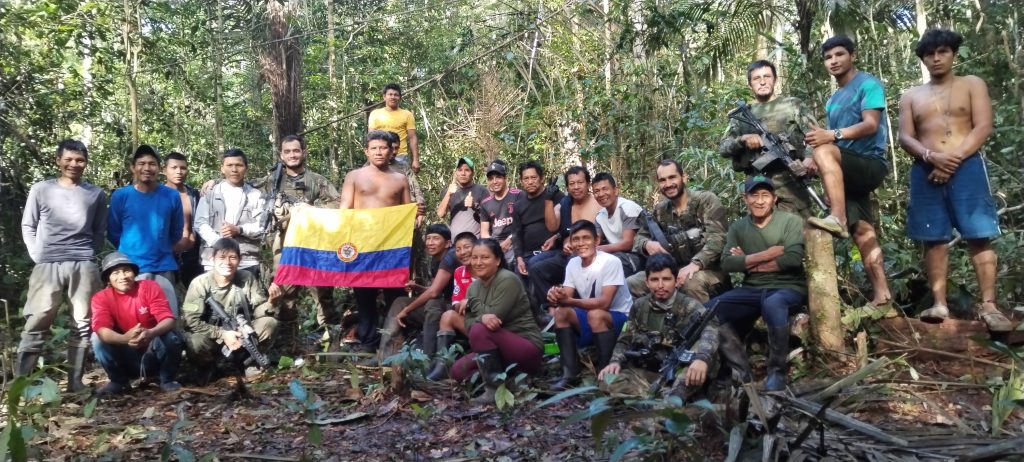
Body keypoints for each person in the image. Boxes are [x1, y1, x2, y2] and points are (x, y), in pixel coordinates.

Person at [898, 28, 1011, 330]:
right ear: (922, 59)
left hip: (968, 166)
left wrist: (951, 160)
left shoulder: (972, 84)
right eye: (930, 54)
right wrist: (930, 156)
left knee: (979, 233)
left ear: (953, 54)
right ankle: (939, 303)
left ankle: (988, 304)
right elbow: (905, 137)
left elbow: (983, 126)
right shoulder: (911, 95)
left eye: (942, 52)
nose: (936, 58)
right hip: (925, 170)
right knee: (933, 239)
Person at [803, 35, 892, 308]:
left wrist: (831, 135)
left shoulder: (869, 84)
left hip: (871, 163)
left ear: (852, 55)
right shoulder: (832, 101)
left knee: (825, 148)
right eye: (828, 57)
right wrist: (816, 169)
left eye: (839, 54)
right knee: (862, 231)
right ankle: (883, 296)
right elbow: (835, 148)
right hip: (848, 169)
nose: (834, 61)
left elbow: (870, 125)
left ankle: (837, 217)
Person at [17, 139, 107, 392]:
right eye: (68, 159)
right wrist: (38, 254)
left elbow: (99, 229)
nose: (74, 164)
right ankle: (21, 384)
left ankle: (74, 382)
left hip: (82, 263)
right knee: (38, 319)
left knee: (82, 323)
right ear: (58, 160)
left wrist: (89, 253)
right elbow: (28, 225)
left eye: (79, 160)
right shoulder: (41, 189)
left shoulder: (95, 194)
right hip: (47, 264)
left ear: (86, 163)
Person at [708, 176, 806, 392]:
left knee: (774, 303)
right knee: (710, 309)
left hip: (787, 287)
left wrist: (748, 262)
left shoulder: (791, 222)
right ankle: (742, 371)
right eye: (754, 195)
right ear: (745, 198)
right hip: (752, 289)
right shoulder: (738, 228)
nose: (759, 201)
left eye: (765, 195)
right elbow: (727, 262)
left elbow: (792, 259)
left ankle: (777, 372)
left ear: (774, 199)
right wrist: (768, 254)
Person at [597, 254, 719, 398]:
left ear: (676, 280)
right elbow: (626, 338)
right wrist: (615, 362)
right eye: (654, 280)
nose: (660, 285)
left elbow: (711, 329)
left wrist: (702, 358)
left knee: (683, 384)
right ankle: (656, 397)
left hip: (680, 369)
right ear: (647, 282)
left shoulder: (690, 306)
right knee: (607, 381)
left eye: (666, 279)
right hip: (647, 370)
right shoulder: (639, 306)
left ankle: (668, 398)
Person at [339, 130, 416, 353]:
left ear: (392, 151)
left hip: (392, 246)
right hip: (362, 244)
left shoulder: (400, 179)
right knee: (364, 295)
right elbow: (345, 210)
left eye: (383, 148)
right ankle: (368, 341)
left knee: (395, 294)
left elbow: (406, 215)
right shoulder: (354, 176)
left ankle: (395, 342)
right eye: (374, 148)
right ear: (367, 151)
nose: (379, 152)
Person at [261, 135, 341, 338]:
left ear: (303, 153)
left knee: (323, 292)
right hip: (285, 244)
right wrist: (214, 182)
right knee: (285, 293)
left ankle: (330, 339)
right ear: (281, 155)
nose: (292, 155)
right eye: (287, 151)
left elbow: (338, 204)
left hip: (316, 244)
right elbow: (243, 187)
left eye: (296, 151)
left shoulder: (317, 180)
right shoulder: (272, 181)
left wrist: (310, 208)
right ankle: (289, 342)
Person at [718, 59, 821, 218]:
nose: (762, 81)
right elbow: (723, 148)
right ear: (750, 84)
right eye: (756, 78)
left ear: (775, 79)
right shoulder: (741, 115)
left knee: (802, 234)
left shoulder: (793, 105)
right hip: (758, 185)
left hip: (793, 180)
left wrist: (809, 157)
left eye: (767, 76)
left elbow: (816, 134)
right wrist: (742, 139)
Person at [446, 239, 543, 404]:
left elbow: (494, 320)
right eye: (474, 258)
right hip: (497, 351)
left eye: (484, 257)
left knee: (480, 329)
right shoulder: (473, 288)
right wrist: (481, 316)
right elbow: (469, 325)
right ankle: (510, 381)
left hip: (525, 347)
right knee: (458, 371)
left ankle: (494, 390)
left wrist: (473, 304)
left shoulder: (508, 279)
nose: (478, 262)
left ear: (497, 260)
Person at [546, 219, 633, 390]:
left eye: (586, 238)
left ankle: (604, 372)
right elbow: (566, 296)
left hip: (620, 319)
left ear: (597, 241)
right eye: (576, 239)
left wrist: (570, 301)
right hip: (593, 315)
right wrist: (555, 295)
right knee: (561, 313)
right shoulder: (572, 263)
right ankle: (570, 374)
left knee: (596, 314)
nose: (581, 243)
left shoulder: (610, 262)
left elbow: (605, 303)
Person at [628, 159, 729, 303]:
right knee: (632, 283)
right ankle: (648, 323)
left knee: (690, 283)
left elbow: (718, 238)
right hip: (673, 271)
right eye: (663, 180)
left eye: (672, 177)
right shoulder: (660, 210)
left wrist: (696, 264)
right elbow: (639, 238)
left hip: (709, 270)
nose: (668, 184)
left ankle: (705, 324)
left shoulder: (706, 201)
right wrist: (646, 244)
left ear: (684, 177)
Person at [180, 238, 279, 380]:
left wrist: (271, 302)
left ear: (239, 260)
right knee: (195, 341)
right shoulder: (199, 284)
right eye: (222, 257)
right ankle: (208, 367)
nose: (227, 262)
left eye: (232, 257)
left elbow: (259, 309)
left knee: (269, 323)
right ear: (212, 259)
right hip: (212, 335)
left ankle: (248, 362)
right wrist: (222, 334)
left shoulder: (246, 278)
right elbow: (191, 322)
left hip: (241, 333)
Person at [91, 252, 183, 395]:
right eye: (116, 273)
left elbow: (168, 319)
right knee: (97, 339)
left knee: (171, 337)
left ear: (134, 273)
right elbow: (102, 330)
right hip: (126, 354)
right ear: (108, 278)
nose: (122, 276)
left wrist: (151, 332)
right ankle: (118, 382)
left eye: (126, 271)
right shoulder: (101, 298)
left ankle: (167, 379)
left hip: (153, 350)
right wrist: (124, 338)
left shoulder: (149, 287)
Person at [108, 145, 185, 315]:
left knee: (166, 319)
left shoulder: (171, 196)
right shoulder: (121, 196)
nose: (147, 168)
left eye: (152, 163)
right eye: (141, 163)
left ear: (159, 168)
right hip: (129, 269)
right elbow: (114, 231)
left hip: (163, 266)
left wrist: (161, 246)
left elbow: (176, 232)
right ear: (133, 167)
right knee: (131, 319)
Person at [526, 165, 602, 317]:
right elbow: (552, 225)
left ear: (588, 184)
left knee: (571, 263)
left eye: (580, 183)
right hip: (564, 252)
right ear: (567, 187)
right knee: (534, 266)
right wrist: (548, 199)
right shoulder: (566, 203)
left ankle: (568, 308)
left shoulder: (597, 204)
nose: (576, 187)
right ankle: (551, 307)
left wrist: (575, 245)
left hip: (586, 256)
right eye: (571, 184)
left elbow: (599, 236)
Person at [376, 224, 456, 361]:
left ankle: (426, 359)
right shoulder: (435, 260)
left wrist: (407, 310)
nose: (430, 243)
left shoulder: (450, 256)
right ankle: (385, 355)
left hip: (454, 307)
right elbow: (434, 289)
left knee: (431, 304)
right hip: (443, 302)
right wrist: (418, 288)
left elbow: (434, 293)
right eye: (428, 238)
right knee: (400, 301)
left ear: (448, 243)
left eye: (436, 238)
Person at [194, 149, 266, 275]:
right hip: (213, 260)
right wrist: (219, 242)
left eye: (239, 165)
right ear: (222, 168)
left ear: (246, 168)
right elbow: (200, 223)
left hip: (246, 260)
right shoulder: (210, 193)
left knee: (247, 294)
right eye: (229, 165)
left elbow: (262, 226)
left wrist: (239, 229)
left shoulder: (256, 195)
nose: (234, 169)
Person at [423, 232, 477, 380]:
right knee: (448, 316)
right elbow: (456, 301)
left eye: (467, 247)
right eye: (458, 249)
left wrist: (472, 302)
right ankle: (441, 367)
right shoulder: (459, 272)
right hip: (470, 321)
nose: (462, 252)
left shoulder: (488, 269)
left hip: (492, 324)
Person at [511, 160, 558, 277]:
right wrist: (519, 258)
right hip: (528, 254)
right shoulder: (518, 205)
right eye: (526, 179)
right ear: (521, 181)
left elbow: (559, 226)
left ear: (541, 178)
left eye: (534, 177)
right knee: (517, 273)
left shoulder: (553, 195)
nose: (530, 182)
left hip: (552, 252)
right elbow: (517, 234)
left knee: (534, 265)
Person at [592, 172, 644, 276]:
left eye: (605, 189)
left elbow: (628, 243)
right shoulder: (600, 216)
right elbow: (594, 241)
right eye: (596, 191)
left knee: (605, 268)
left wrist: (599, 249)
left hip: (636, 256)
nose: (601, 194)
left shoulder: (627, 207)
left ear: (615, 190)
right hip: (615, 255)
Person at [163, 151, 203, 287]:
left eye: (183, 168)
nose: (179, 172)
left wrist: (213, 181)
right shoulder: (158, 196)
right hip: (167, 255)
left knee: (195, 300)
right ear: (164, 170)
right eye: (174, 168)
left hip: (194, 256)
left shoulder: (194, 194)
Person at [368, 83, 420, 173]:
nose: (393, 97)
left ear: (400, 97)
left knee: (401, 183)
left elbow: (412, 137)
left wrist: (416, 159)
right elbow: (371, 137)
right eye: (390, 94)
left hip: (400, 156)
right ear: (384, 97)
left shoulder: (407, 114)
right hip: (380, 155)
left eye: (396, 95)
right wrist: (370, 157)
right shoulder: (375, 114)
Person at [479, 160, 522, 265]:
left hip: (515, 240)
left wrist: (509, 241)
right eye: (491, 179)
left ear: (505, 178)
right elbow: (484, 232)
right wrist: (494, 246)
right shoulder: (485, 203)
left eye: (498, 177)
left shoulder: (518, 195)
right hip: (495, 244)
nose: (494, 181)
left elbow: (524, 223)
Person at [436, 157, 489, 238]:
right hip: (455, 243)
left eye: (467, 170)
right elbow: (440, 214)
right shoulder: (449, 191)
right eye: (460, 170)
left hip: (475, 242)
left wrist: (474, 206)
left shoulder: (482, 190)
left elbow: (490, 216)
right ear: (455, 173)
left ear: (472, 173)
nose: (463, 173)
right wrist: (448, 194)